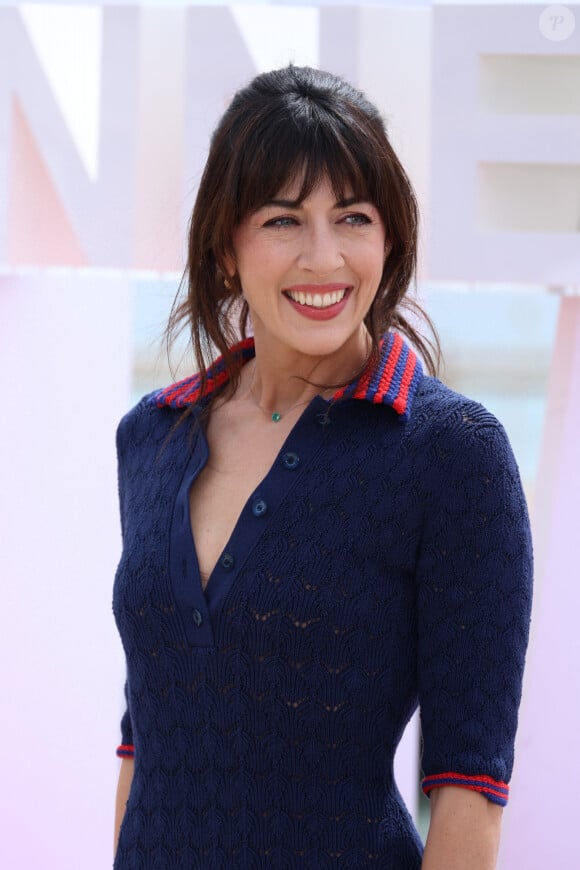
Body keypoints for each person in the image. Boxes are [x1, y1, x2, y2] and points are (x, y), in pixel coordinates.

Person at [112, 66, 532, 869]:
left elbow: (469, 785)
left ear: (389, 240)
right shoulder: (151, 436)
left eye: (353, 217)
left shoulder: (452, 454)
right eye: (283, 220)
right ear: (225, 248)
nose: (325, 257)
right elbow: (144, 737)